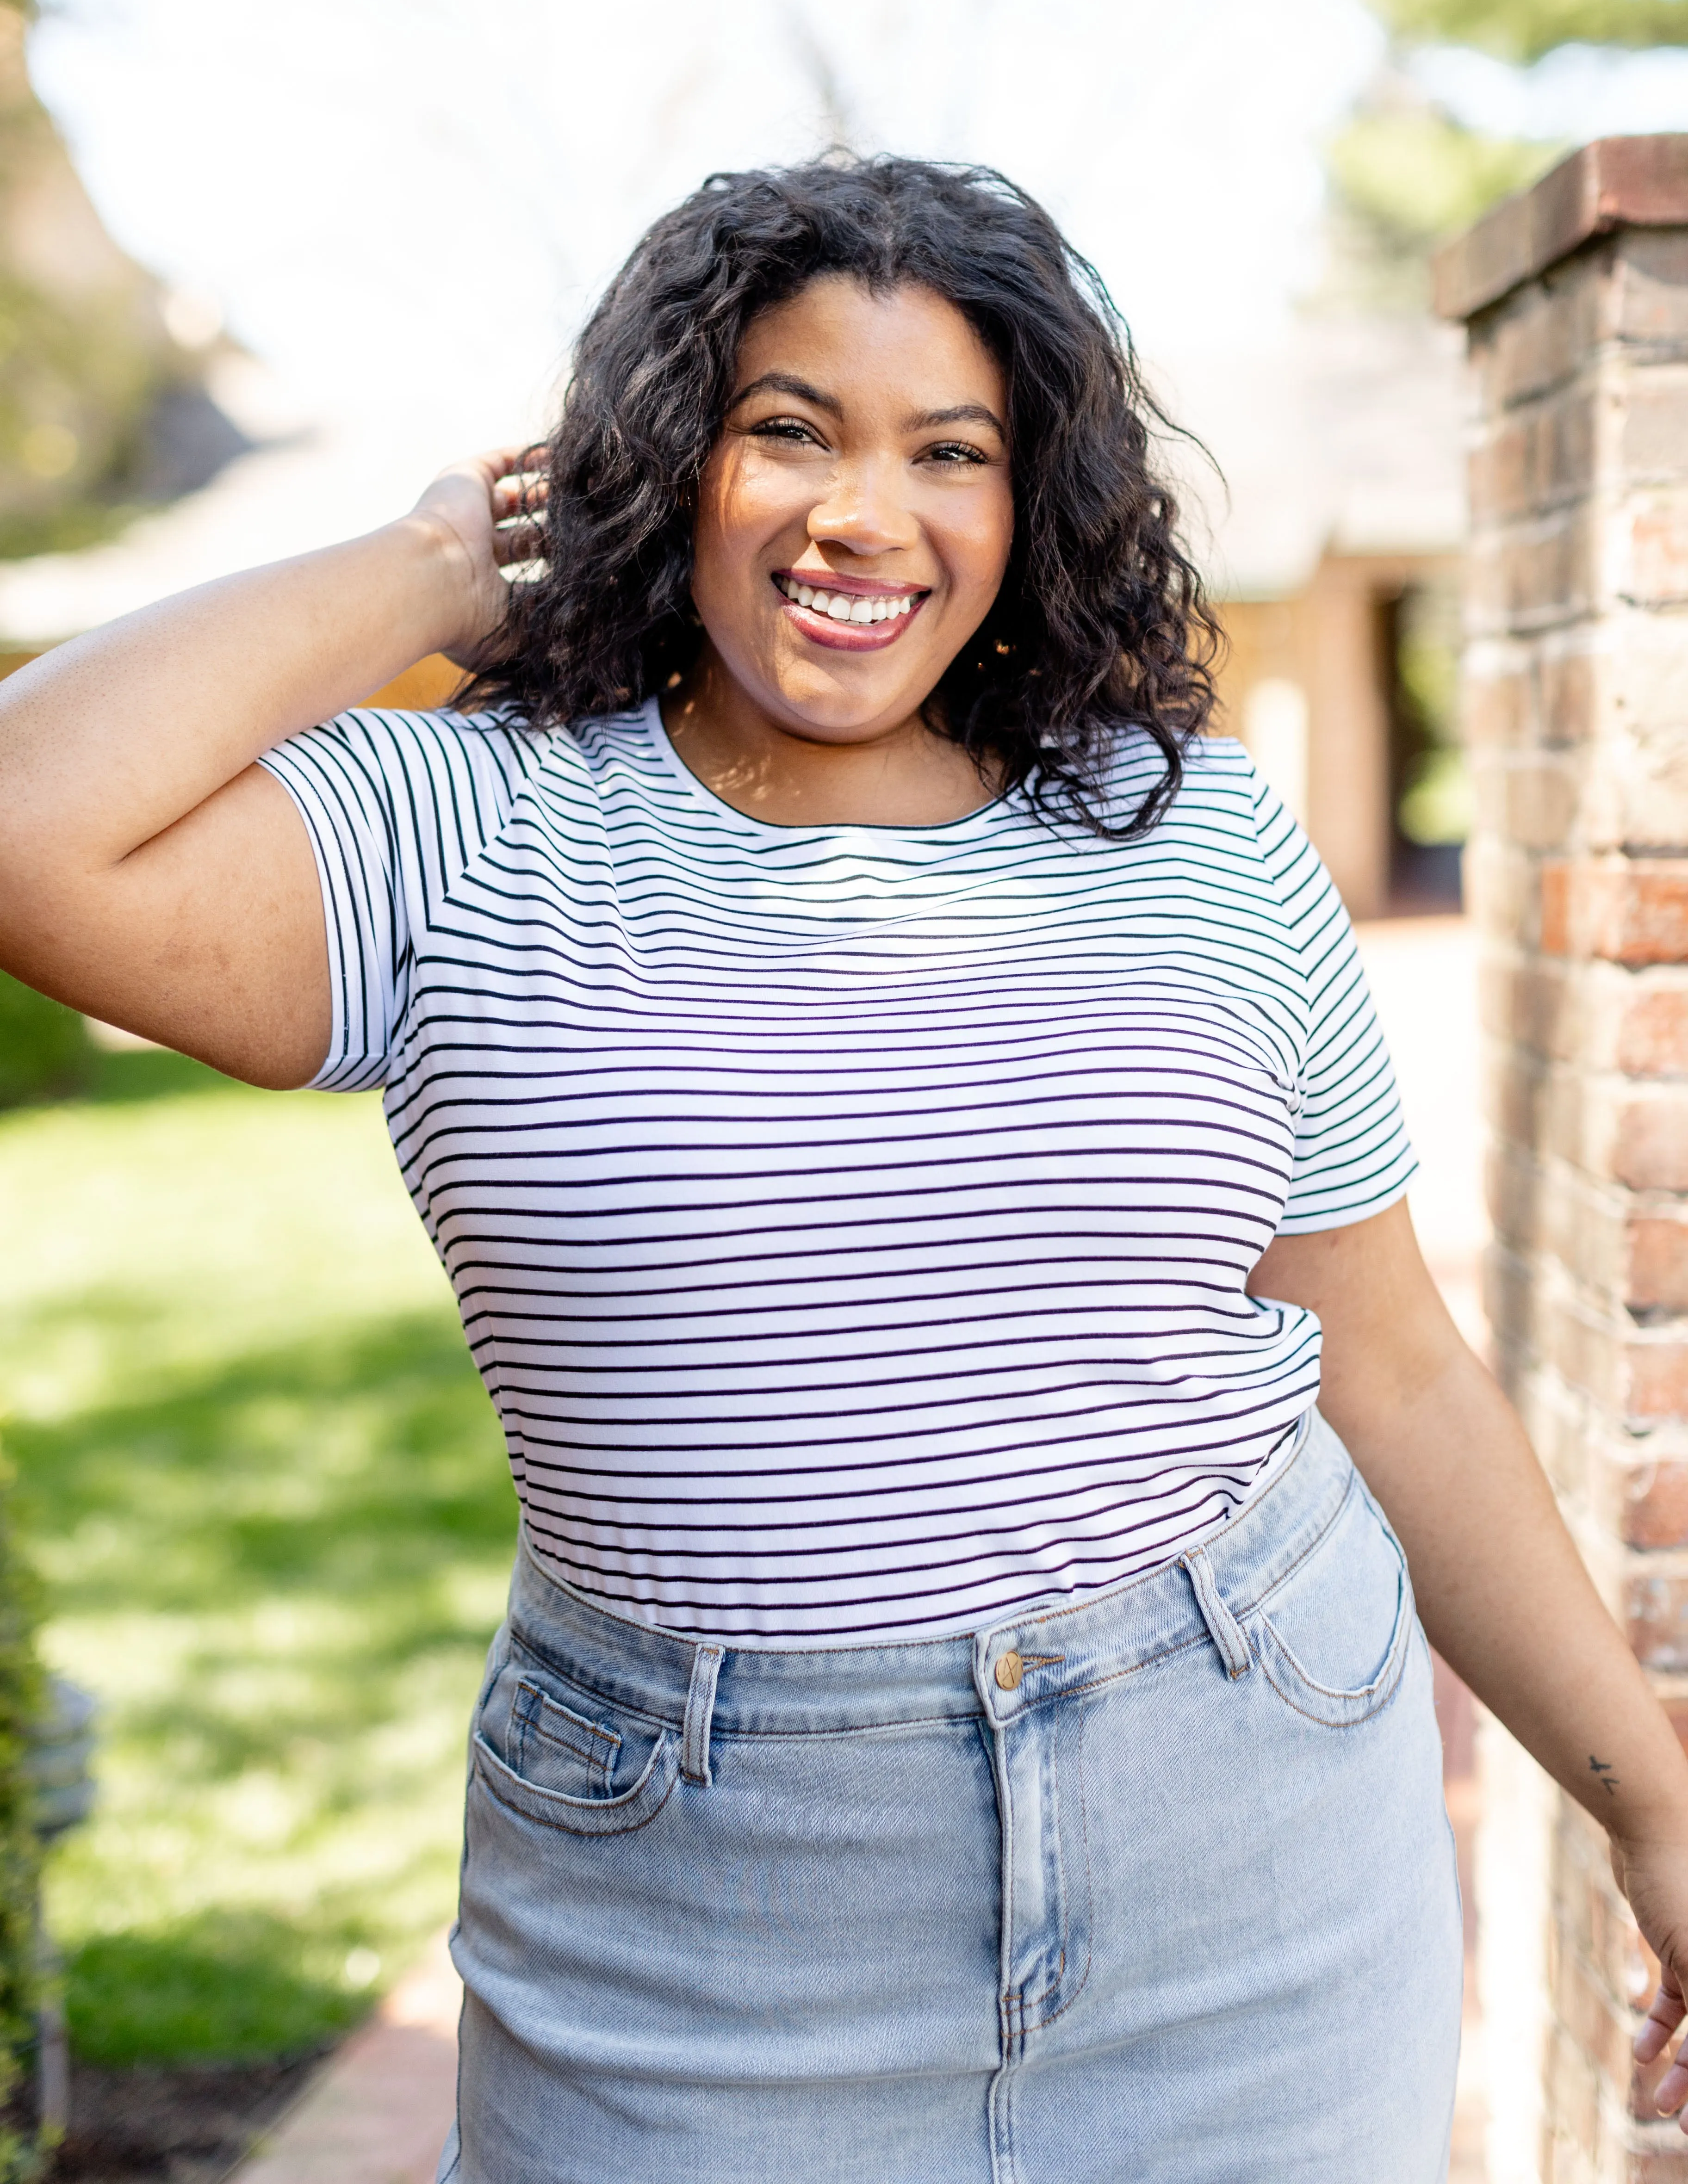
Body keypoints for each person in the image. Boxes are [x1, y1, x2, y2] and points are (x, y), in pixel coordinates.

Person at [0, 155, 1685, 2184]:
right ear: (669, 461)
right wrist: (443, 561)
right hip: (699, 1923)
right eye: (787, 429)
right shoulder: (462, 830)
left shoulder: (1200, 838)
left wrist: (1652, 1802)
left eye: (949, 453)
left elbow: (1393, 1365)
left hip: (1252, 1841)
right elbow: (33, 831)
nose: (863, 514)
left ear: (1025, 506)